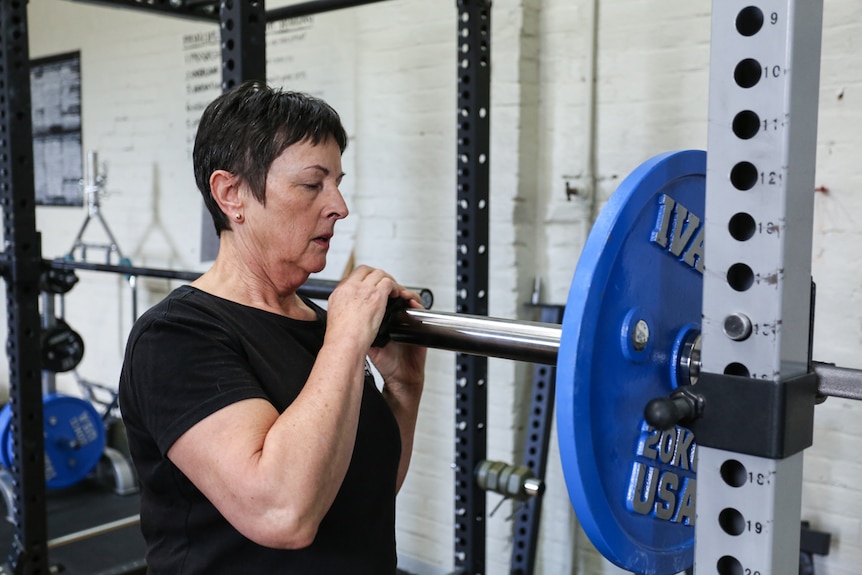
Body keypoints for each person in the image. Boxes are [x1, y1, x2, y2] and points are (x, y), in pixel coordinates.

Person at [118, 80, 427, 575]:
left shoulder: (324, 330)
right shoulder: (175, 338)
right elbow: (283, 513)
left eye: (338, 183)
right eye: (312, 184)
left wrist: (404, 386)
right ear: (231, 194)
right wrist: (347, 341)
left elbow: (363, 491)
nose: (339, 206)